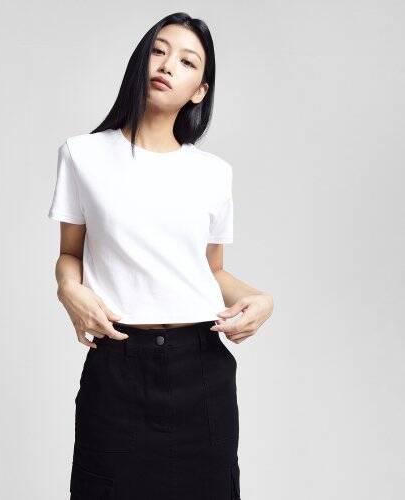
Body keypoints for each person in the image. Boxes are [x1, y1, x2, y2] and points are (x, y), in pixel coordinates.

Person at [47, 12, 274, 500]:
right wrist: (69, 290)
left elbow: (211, 270)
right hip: (117, 366)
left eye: (187, 61)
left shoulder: (213, 173)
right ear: (141, 61)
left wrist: (261, 299)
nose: (168, 65)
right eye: (159, 50)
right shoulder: (82, 155)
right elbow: (70, 254)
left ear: (200, 90)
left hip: (201, 371)